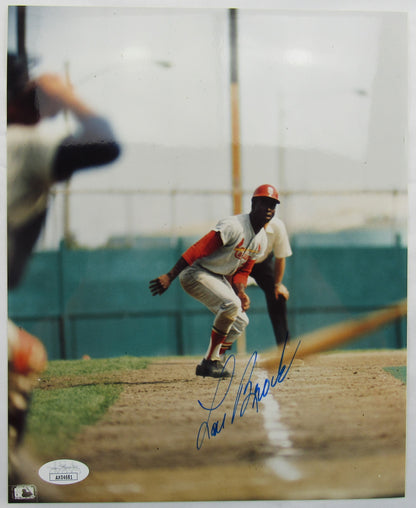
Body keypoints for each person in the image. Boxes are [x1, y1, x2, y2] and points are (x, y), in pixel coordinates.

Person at [6, 51, 121, 485]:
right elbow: (105, 143)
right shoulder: (18, 142)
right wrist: (68, 97)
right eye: (29, 92)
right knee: (22, 357)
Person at [149, 184, 280, 378]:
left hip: (216, 276)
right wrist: (170, 275)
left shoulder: (261, 240)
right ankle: (211, 362)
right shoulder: (234, 226)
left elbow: (243, 270)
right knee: (231, 305)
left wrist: (241, 291)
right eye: (264, 202)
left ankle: (210, 361)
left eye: (273, 204)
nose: (269, 208)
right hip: (195, 272)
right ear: (253, 203)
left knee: (240, 322)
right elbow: (199, 248)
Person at [249, 211, 292, 346]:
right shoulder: (242, 226)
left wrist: (278, 284)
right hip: (239, 263)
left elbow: (280, 258)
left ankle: (285, 348)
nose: (266, 210)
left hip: (263, 264)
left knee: (278, 296)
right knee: (229, 302)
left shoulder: (278, 226)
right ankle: (218, 354)